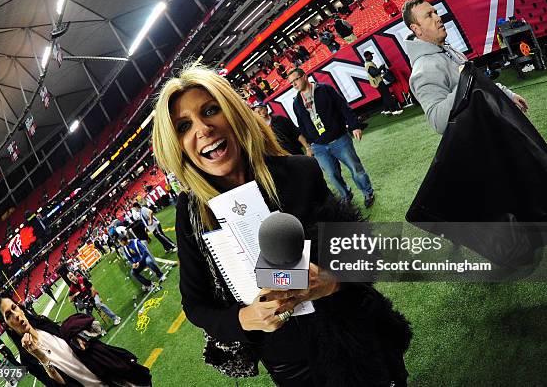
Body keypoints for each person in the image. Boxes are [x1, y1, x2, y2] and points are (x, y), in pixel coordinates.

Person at [151, 65, 411, 385]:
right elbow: (195, 304)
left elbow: (361, 253)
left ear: (233, 113)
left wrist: (331, 281)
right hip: (291, 365)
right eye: (183, 126)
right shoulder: (190, 214)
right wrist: (244, 318)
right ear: (176, 145)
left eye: (210, 110)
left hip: (356, 336)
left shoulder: (301, 172)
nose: (202, 128)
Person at [402, 0, 528, 134]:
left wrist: (506, 94)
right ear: (416, 29)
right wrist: (464, 80)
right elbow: (438, 122)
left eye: (436, 12)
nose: (438, 18)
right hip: (481, 140)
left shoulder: (448, 49)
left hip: (493, 127)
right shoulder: (424, 69)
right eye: (429, 15)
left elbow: (478, 82)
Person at [0, 292, 151, 386]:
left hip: (110, 377)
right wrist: (41, 357)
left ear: (20, 307)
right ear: (7, 326)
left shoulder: (43, 323)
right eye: (8, 315)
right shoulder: (28, 359)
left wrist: (79, 337)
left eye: (14, 308)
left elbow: (72, 343)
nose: (15, 316)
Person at [289, 67, 376, 207]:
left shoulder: (325, 89)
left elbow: (343, 107)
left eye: (295, 80)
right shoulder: (296, 102)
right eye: (291, 83)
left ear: (304, 76)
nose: (293, 85)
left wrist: (354, 125)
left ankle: (367, 192)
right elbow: (302, 124)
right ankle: (346, 195)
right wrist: (309, 144)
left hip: (339, 139)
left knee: (355, 168)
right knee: (332, 176)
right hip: (319, 147)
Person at [363, 51, 403, 116]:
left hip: (376, 82)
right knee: (387, 96)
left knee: (384, 96)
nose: (372, 56)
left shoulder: (368, 63)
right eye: (371, 55)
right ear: (367, 56)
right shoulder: (368, 64)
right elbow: (375, 73)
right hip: (378, 82)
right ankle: (394, 110)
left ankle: (386, 110)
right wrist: (381, 68)